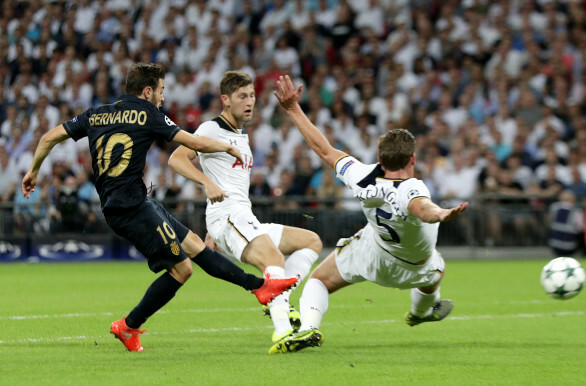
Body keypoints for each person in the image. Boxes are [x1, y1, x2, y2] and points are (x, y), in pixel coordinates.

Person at [21, 63, 298, 352]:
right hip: (130, 208)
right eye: (162, 91)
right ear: (148, 91)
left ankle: (258, 287)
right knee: (182, 270)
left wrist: (33, 172)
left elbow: (47, 138)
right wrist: (227, 148)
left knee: (194, 245)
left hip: (131, 203)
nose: (163, 98)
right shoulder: (147, 113)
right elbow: (193, 143)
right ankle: (130, 325)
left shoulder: (95, 114)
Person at [269, 75, 468, 354]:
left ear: (379, 158)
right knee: (435, 272)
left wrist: (293, 109)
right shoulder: (412, 187)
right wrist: (442, 214)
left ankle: (309, 328)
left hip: (372, 253)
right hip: (414, 265)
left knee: (318, 281)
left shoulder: (360, 175)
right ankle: (419, 313)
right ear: (413, 159)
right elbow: (423, 208)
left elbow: (323, 149)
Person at [168, 71, 322, 347]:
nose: (249, 101)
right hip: (228, 216)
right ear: (225, 100)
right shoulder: (210, 129)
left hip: (240, 217)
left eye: (251, 95)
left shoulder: (242, 134)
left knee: (310, 241)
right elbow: (176, 159)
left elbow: (231, 180)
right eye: (242, 96)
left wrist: (214, 232)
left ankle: (277, 299)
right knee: (273, 259)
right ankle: (283, 332)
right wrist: (205, 183)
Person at [548, 190, 584, 257]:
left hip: (554, 245)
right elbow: (581, 228)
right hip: (569, 247)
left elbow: (549, 223)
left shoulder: (553, 208)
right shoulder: (577, 211)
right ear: (572, 200)